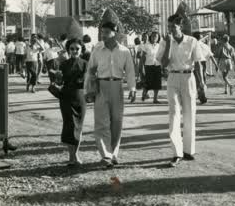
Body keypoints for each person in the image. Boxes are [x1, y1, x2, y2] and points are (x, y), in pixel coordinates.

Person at [84, 19, 136, 169]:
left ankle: (113, 154)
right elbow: (90, 70)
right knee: (101, 123)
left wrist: (132, 89)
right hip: (101, 86)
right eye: (102, 32)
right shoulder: (97, 50)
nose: (104, 35)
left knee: (116, 121)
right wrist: (87, 90)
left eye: (107, 32)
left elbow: (130, 71)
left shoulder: (124, 51)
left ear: (115, 33)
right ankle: (105, 155)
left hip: (117, 86)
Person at [157, 13, 204, 168]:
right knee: (174, 114)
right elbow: (164, 64)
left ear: (181, 26)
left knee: (190, 114)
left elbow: (198, 63)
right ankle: (177, 152)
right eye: (169, 26)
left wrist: (202, 83)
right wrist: (168, 45)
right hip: (173, 77)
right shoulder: (165, 42)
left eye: (174, 26)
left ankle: (188, 150)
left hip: (188, 77)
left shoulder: (192, 41)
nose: (171, 29)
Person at [50, 38, 88, 166]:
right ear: (68, 50)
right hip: (66, 97)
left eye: (77, 48)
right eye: (72, 48)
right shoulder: (63, 64)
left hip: (80, 97)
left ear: (81, 50)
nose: (74, 51)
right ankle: (71, 156)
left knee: (79, 127)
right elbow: (60, 82)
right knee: (69, 126)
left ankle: (76, 154)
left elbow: (87, 82)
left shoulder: (85, 64)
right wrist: (58, 78)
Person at [141, 31, 162, 103]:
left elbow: (161, 56)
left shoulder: (159, 46)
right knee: (148, 82)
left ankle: (155, 99)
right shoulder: (146, 45)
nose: (154, 37)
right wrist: (142, 67)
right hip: (148, 66)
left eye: (156, 36)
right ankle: (144, 94)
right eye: (153, 36)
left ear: (158, 38)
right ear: (150, 37)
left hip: (157, 65)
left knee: (157, 83)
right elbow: (143, 57)